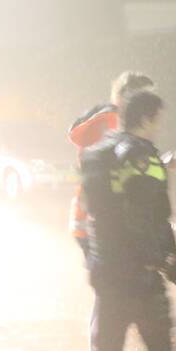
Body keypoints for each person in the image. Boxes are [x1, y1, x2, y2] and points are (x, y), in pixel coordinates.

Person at [79, 89, 176, 351]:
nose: (160, 125)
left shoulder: (100, 153)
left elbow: (100, 210)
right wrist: (156, 259)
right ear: (148, 117)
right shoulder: (145, 156)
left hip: (105, 270)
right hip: (137, 276)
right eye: (159, 118)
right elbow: (149, 215)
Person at [67, 72, 155, 258]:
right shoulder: (115, 125)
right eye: (147, 100)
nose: (152, 108)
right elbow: (122, 172)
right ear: (128, 99)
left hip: (90, 222)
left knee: (111, 282)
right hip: (103, 225)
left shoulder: (107, 121)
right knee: (119, 282)